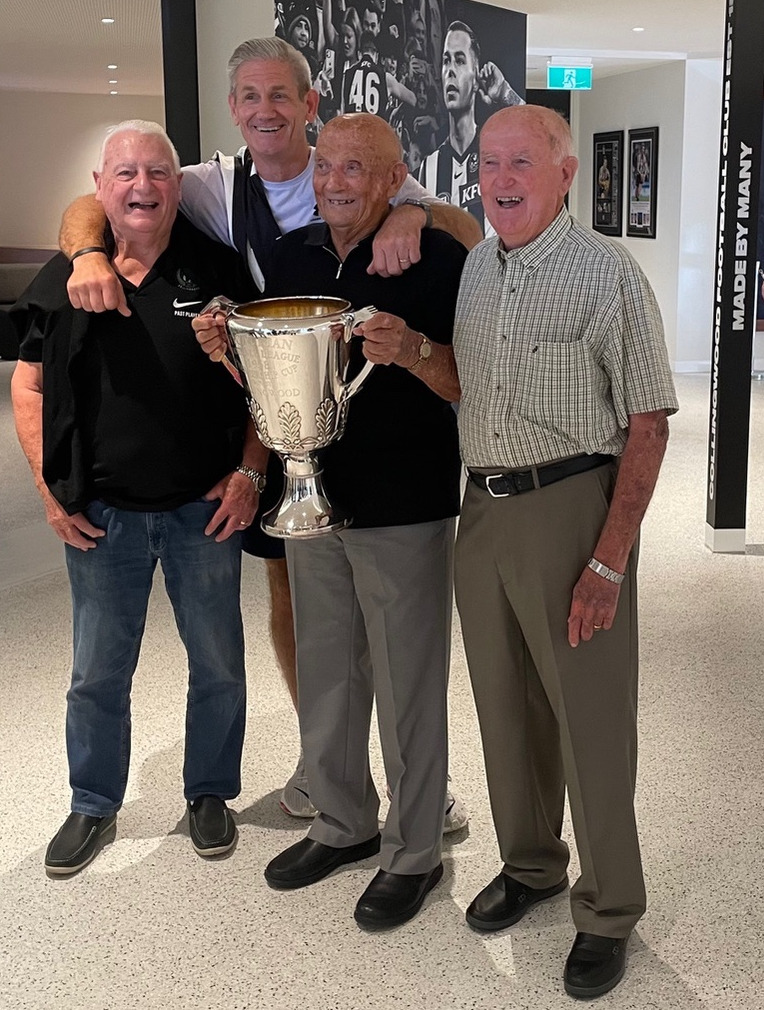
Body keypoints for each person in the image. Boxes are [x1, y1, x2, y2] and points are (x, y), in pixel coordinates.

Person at [57, 37, 481, 824]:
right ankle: (327, 769)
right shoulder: (214, 186)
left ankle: (421, 796)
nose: (264, 110)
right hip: (283, 433)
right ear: (232, 109)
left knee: (399, 648)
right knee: (305, 613)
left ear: (309, 105)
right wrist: (85, 251)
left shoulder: (359, 165)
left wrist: (416, 213)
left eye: (280, 95)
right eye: (249, 96)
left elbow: (456, 223)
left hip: (387, 464)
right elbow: (105, 197)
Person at [194, 112, 466, 929]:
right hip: (310, 494)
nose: (336, 181)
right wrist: (225, 346)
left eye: (357, 168)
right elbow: (273, 373)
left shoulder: (437, 255)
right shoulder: (291, 255)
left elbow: (465, 384)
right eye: (327, 167)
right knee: (329, 672)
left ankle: (414, 851)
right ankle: (344, 822)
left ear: (395, 181)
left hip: (403, 505)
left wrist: (414, 349)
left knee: (408, 685)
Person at [450, 106, 679, 998]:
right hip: (483, 511)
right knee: (506, 712)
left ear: (565, 173)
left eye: (522, 162)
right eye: (489, 162)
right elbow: (468, 381)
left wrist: (610, 558)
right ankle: (532, 865)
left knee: (589, 721)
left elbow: (649, 423)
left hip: (570, 509)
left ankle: (610, 905)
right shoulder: (475, 265)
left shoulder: (606, 274)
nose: (502, 179)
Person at [10, 121, 261, 875]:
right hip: (102, 516)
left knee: (217, 663)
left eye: (157, 172)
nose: (142, 187)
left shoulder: (218, 271)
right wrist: (52, 492)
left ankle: (210, 792)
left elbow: (267, 388)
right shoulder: (67, 277)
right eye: (125, 174)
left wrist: (249, 472)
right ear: (100, 187)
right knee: (96, 671)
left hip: (202, 510)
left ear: (178, 187)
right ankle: (92, 802)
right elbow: (29, 385)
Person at [419, 21, 523, 231]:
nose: (450, 71)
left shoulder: (498, 154)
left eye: (459, 61)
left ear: (476, 78)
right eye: (446, 61)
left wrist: (504, 92)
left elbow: (542, 138)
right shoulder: (429, 167)